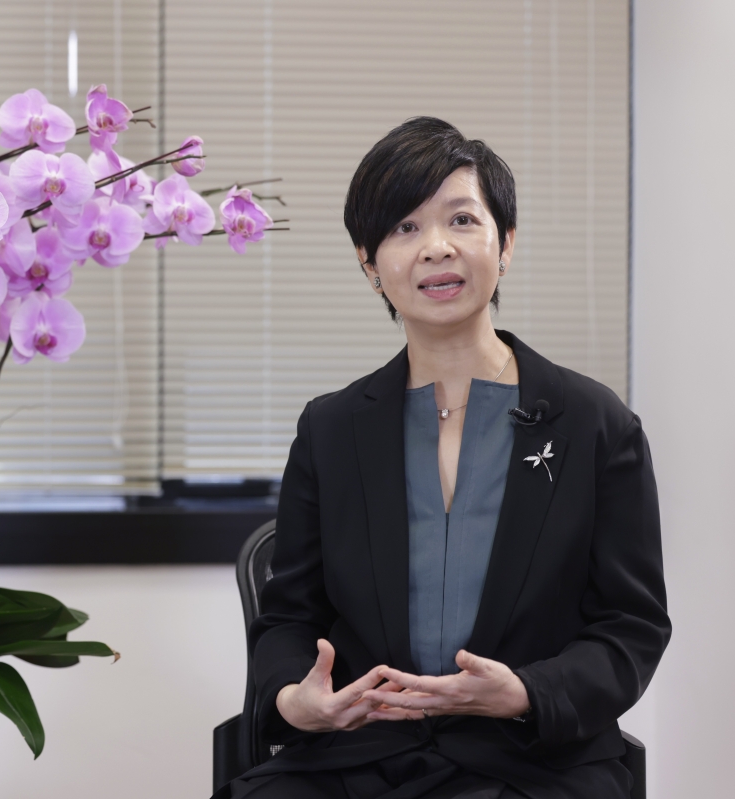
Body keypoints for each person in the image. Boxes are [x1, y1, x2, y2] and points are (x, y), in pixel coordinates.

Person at [217, 118, 670, 799]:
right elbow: (289, 617)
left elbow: (631, 624)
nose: (435, 247)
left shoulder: (595, 423)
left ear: (505, 242)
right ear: (369, 264)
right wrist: (293, 699)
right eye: (404, 227)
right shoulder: (331, 429)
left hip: (531, 761)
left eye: (461, 219)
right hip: (358, 755)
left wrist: (527, 691)